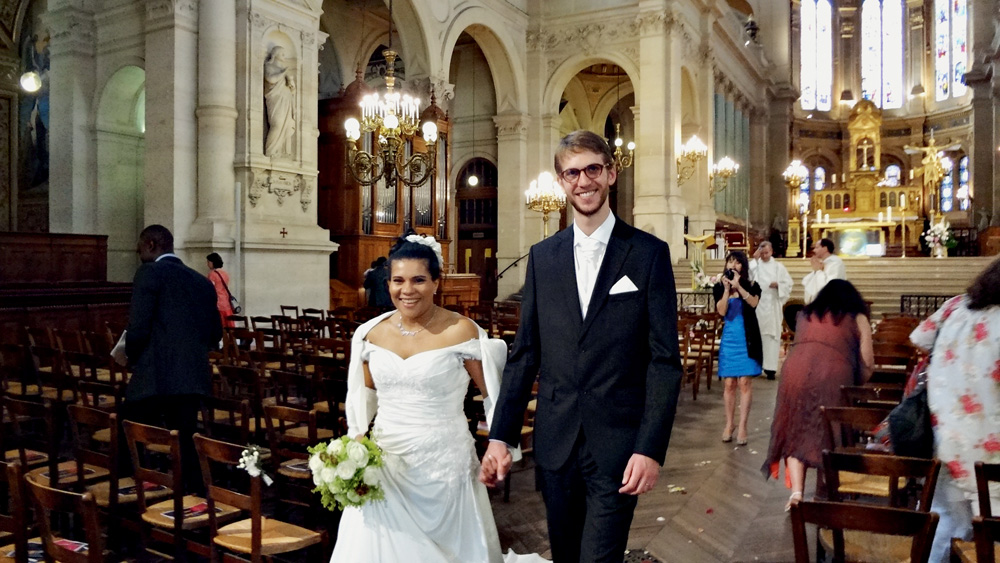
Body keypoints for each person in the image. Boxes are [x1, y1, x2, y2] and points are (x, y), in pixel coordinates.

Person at [481, 130, 683, 563]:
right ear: (561, 181)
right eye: (572, 172)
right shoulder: (542, 256)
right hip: (556, 443)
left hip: (619, 446)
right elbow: (525, 354)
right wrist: (501, 436)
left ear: (610, 173)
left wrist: (649, 447)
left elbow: (665, 362)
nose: (583, 181)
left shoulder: (648, 254)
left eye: (593, 168)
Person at [333, 235, 544, 563]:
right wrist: (356, 442)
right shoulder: (370, 334)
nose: (407, 290)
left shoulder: (462, 331)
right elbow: (365, 395)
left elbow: (495, 395)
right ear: (387, 283)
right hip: (386, 464)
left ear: (435, 283)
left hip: (443, 463)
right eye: (398, 281)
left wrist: (499, 445)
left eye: (419, 280)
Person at [909, 258, 1000, 563]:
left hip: (944, 436)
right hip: (990, 449)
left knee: (945, 523)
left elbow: (919, 338)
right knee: (990, 533)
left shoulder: (955, 306)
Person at [123, 225, 222, 491]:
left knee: (129, 436)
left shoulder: (149, 273)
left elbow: (138, 328)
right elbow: (215, 334)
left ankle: (131, 495)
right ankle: (189, 499)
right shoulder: (201, 281)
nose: (139, 254)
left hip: (155, 376)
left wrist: (129, 356)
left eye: (141, 248)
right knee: (186, 442)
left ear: (152, 245)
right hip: (191, 376)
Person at [761, 280, 873, 511]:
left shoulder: (805, 315)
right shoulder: (857, 318)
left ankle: (797, 494)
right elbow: (868, 363)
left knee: (795, 429)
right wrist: (856, 379)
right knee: (829, 431)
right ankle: (824, 491)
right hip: (833, 374)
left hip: (795, 373)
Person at [714, 250, 762, 446]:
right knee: (729, 384)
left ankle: (742, 425)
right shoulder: (718, 287)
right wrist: (727, 290)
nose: (733, 265)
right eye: (730, 262)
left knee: (744, 383)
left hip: (748, 338)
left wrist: (739, 288)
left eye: (737, 262)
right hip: (730, 339)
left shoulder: (752, 286)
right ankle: (729, 423)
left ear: (743, 266)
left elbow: (753, 303)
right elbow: (721, 311)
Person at [749, 241, 793, 379]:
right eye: (762, 253)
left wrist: (779, 285)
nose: (764, 255)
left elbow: (788, 283)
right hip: (758, 305)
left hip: (772, 304)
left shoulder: (778, 267)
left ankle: (770, 368)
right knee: (757, 336)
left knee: (771, 338)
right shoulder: (755, 265)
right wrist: (755, 260)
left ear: (772, 251)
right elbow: (748, 277)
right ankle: (756, 366)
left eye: (767, 253)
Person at [264, 45, 295, 157]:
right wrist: (283, 72)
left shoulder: (283, 70)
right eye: (282, 54)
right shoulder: (269, 66)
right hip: (275, 99)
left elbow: (292, 89)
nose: (284, 57)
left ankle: (281, 152)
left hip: (286, 99)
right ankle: (270, 151)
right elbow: (270, 79)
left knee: (287, 126)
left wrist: (291, 82)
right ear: (276, 55)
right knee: (277, 124)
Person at [801, 238, 846, 304]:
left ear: (825, 249)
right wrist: (816, 271)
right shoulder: (823, 262)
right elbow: (808, 282)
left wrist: (818, 271)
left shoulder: (835, 263)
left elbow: (830, 285)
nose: (814, 250)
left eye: (816, 247)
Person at [206, 252, 234, 327]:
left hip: (218, 303)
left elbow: (211, 288)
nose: (207, 264)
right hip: (226, 302)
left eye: (208, 262)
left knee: (220, 325)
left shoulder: (212, 274)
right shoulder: (225, 273)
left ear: (213, 262)